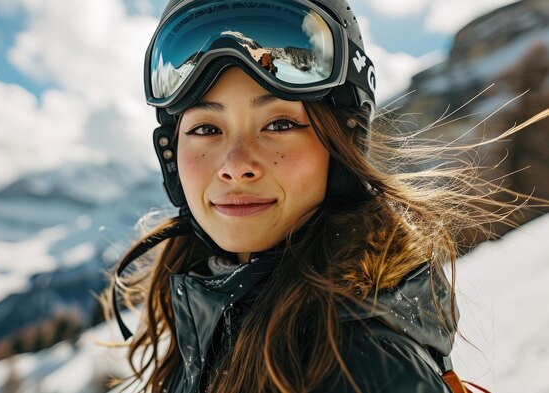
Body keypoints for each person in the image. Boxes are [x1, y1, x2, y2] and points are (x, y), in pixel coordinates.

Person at [107, 0, 528, 392]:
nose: (235, 164)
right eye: (206, 129)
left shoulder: (358, 364)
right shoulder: (211, 313)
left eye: (279, 125)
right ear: (171, 152)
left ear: (341, 147)